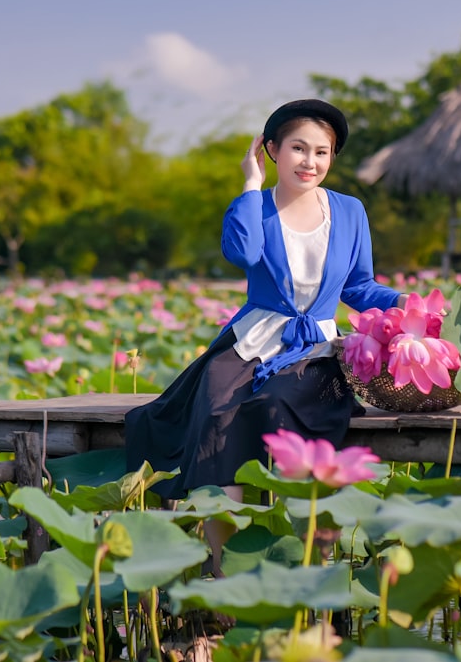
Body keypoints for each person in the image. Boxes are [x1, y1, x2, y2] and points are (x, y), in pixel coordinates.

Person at [124, 99, 402, 575]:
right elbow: (242, 250)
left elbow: (358, 286)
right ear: (271, 149)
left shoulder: (350, 212)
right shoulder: (256, 207)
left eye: (322, 152)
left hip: (315, 347)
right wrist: (250, 186)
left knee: (280, 405)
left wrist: (407, 307)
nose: (310, 162)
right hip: (250, 340)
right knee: (214, 410)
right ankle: (223, 569)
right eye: (298, 148)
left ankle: (315, 562)